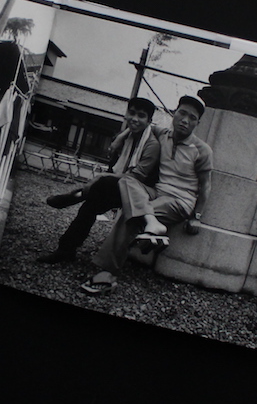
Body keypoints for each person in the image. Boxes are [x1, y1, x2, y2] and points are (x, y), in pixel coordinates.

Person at [80, 95, 212, 293]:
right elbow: (140, 126)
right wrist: (121, 137)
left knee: (130, 216)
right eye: (182, 113)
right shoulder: (163, 134)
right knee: (127, 180)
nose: (185, 120)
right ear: (174, 113)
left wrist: (197, 216)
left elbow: (206, 185)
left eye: (192, 118)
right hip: (156, 192)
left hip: (179, 201)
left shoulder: (202, 150)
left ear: (197, 123)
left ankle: (108, 274)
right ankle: (152, 224)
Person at [38, 97, 160, 263]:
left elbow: (135, 178)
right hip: (121, 186)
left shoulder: (152, 145)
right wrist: (120, 138)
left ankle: (76, 196)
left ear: (149, 121)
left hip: (140, 193)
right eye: (131, 113)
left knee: (101, 185)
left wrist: (101, 177)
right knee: (92, 203)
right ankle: (66, 248)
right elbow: (116, 169)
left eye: (141, 116)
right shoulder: (128, 137)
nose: (134, 119)